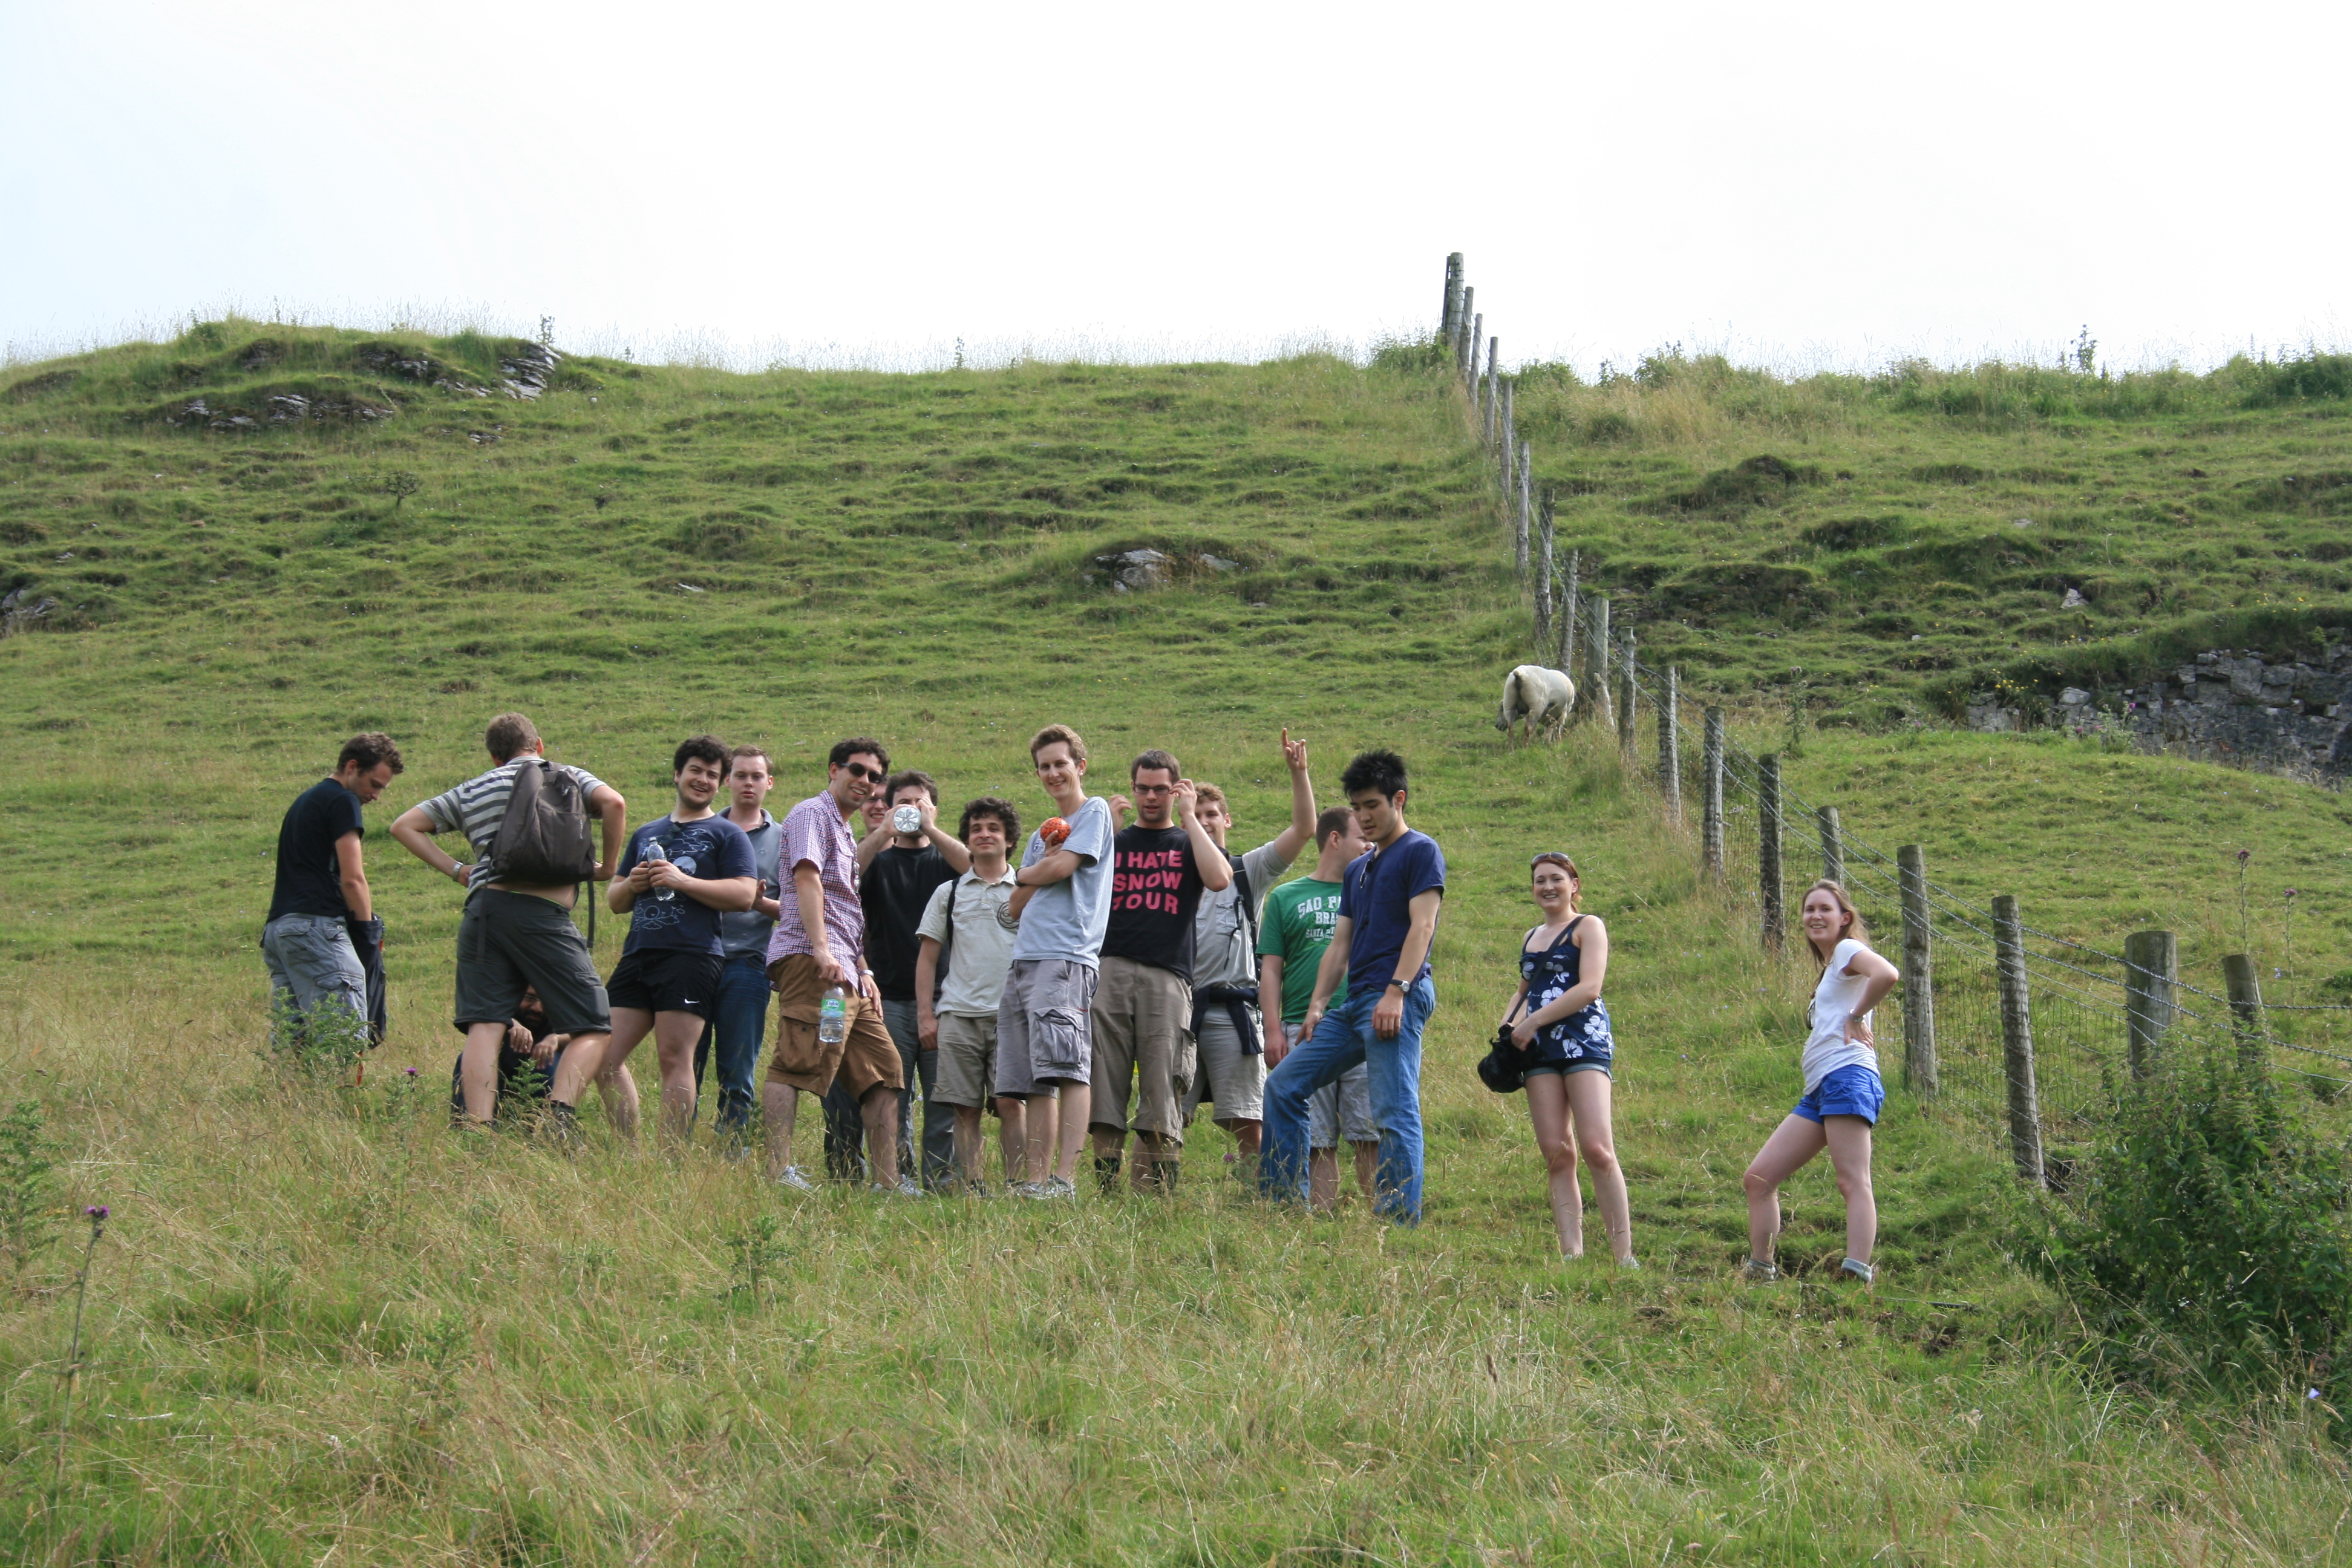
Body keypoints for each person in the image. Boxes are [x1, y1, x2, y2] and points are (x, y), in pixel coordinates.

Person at [391, 713, 627, 1132]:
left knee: (486, 1024)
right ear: (539, 746)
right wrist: (607, 867)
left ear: (495, 758)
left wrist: (458, 870)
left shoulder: (473, 788)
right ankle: (558, 1118)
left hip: (485, 912)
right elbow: (615, 804)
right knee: (593, 1025)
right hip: (544, 915)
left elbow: (404, 826)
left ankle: (477, 1127)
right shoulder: (569, 776)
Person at [1259, 749, 1444, 1224]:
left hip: (1397, 995)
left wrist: (1397, 992)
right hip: (1354, 1003)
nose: (1364, 817)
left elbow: (1422, 927)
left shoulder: (1420, 851)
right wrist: (1318, 1004)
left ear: (1398, 800)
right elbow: (1340, 944)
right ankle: (1283, 1205)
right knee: (1283, 1085)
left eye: (1372, 806)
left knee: (1393, 1110)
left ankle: (1397, 1222)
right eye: (1357, 808)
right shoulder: (1359, 870)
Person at [762, 739, 914, 1195]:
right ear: (834, 769)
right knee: (798, 1060)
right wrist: (821, 950)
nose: (866, 782)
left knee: (883, 1071)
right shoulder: (812, 813)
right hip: (816, 967)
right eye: (857, 770)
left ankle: (887, 1184)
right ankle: (778, 1174)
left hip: (846, 975)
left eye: (875, 776)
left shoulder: (845, 830)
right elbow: (807, 878)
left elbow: (845, 908)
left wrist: (863, 970)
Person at [596, 736, 757, 1150]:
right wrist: (632, 884)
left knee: (674, 1058)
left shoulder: (727, 834)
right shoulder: (646, 833)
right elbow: (615, 901)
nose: (702, 780)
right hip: (638, 953)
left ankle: (670, 1159)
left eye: (712, 775)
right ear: (677, 775)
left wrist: (682, 881)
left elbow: (744, 895)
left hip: (692, 955)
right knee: (603, 1056)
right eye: (695, 771)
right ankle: (631, 1154)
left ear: (720, 784)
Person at [1741, 880, 1900, 1284]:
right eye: (1809, 909)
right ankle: (1761, 1271)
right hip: (1820, 1089)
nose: (1815, 916)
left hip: (1848, 1076)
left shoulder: (1847, 950)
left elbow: (1887, 974)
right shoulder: (1831, 968)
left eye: (1825, 909)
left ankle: (1856, 1275)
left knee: (1852, 1180)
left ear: (1844, 918)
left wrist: (1857, 1016)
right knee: (1758, 1179)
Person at [1089, 748, 1230, 1194]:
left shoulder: (1188, 842)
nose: (1151, 797)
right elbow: (1080, 884)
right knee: (1104, 1083)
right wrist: (1106, 831)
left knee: (1163, 1084)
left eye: (1161, 790)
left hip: (1168, 977)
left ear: (1176, 790)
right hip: (1110, 968)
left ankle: (1159, 1193)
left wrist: (1189, 817)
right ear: (1132, 789)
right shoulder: (1114, 840)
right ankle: (1106, 1190)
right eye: (1143, 789)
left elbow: (1220, 878)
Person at [1183, 731, 1318, 1177]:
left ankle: (1256, 1196)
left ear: (1227, 820)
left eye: (1211, 815)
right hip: (1178, 1011)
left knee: (1247, 1119)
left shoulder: (1247, 871)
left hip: (1233, 1011)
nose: (1204, 822)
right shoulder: (1171, 875)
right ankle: (1158, 1194)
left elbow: (1304, 830)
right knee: (1165, 1118)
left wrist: (1298, 773)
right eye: (1195, 816)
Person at [833, 769, 970, 1189]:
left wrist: (931, 829)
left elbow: (976, 867)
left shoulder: (946, 861)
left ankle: (941, 1179)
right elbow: (843, 875)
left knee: (943, 1095)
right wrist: (883, 832)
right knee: (892, 1093)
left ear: (934, 808)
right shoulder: (878, 859)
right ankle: (899, 1176)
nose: (911, 809)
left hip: (945, 997)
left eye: (919, 802)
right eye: (902, 803)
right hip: (888, 996)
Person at [998, 724, 1116, 1200]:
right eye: (1044, 767)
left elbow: (1062, 868)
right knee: (1035, 1078)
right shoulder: (1039, 836)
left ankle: (1064, 1179)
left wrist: (1027, 871)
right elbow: (1014, 907)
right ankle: (1036, 1180)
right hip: (1024, 958)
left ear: (1080, 766)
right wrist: (1037, 867)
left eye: (1060, 764)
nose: (1052, 773)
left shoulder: (1094, 811)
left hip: (1065, 955)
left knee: (1068, 1067)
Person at [1500, 854, 1635, 1265]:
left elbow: (1590, 987)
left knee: (1597, 1148)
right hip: (1538, 1049)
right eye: (1540, 880)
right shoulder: (1531, 936)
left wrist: (1532, 1021)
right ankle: (1571, 1254)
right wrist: (1507, 1028)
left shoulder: (1588, 926)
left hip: (1583, 1041)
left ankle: (1623, 1255)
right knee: (1557, 1151)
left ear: (1574, 885)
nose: (1548, 887)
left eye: (1556, 879)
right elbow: (1524, 990)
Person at [1259, 806, 1375, 1210]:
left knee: (1368, 1131)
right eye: (1362, 837)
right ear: (1335, 839)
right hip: (1304, 1028)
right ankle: (1320, 1218)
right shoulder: (1285, 896)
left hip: (1362, 1024)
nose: (1370, 845)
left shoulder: (1371, 892)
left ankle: (1378, 1221)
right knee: (1316, 1136)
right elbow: (1271, 970)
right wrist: (1273, 1030)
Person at [262, 733, 403, 1055]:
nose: (376, 795)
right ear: (352, 767)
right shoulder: (342, 800)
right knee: (343, 1038)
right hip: (316, 929)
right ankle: (338, 1091)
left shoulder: (305, 801)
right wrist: (367, 936)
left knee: (293, 1045)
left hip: (280, 932)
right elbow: (353, 879)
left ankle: (292, 1089)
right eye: (375, 784)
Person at [913, 797, 1022, 1192]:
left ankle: (1018, 1184)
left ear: (1010, 839)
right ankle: (971, 1186)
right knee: (964, 1108)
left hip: (1012, 1016)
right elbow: (927, 958)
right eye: (976, 829)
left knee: (1011, 1103)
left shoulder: (1027, 890)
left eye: (994, 828)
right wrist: (927, 1016)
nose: (984, 834)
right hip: (958, 1015)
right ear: (967, 839)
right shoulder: (950, 892)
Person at [694, 745, 784, 1151]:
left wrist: (757, 902)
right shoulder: (702, 830)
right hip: (696, 958)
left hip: (748, 963)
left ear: (769, 783)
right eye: (741, 775)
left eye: (756, 776)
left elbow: (797, 910)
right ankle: (676, 1149)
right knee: (686, 1063)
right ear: (727, 780)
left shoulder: (784, 840)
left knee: (738, 1068)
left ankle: (733, 1150)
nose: (749, 783)